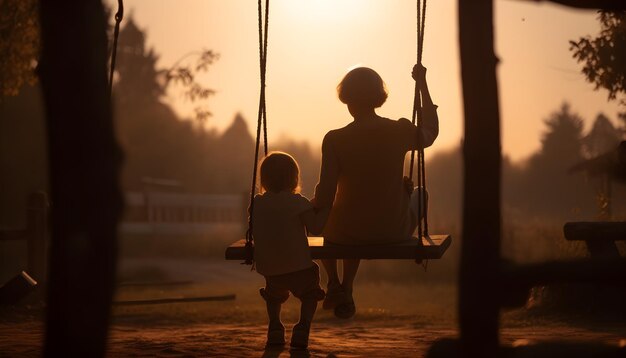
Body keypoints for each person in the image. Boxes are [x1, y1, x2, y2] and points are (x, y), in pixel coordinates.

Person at [313, 63, 439, 319]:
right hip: (392, 231)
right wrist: (422, 84)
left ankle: (335, 282)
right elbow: (430, 133)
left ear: (346, 99)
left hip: (346, 233)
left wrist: (314, 203)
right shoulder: (399, 130)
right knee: (421, 193)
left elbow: (325, 195)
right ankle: (345, 288)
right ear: (378, 98)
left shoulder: (335, 139)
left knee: (325, 208)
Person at [251, 151, 329, 350]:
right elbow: (316, 228)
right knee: (310, 293)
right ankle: (303, 327)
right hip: (299, 268)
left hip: (272, 270)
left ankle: (275, 327)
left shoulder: (257, 202)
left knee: (273, 295)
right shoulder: (298, 202)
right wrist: (325, 208)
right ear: (294, 179)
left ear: (264, 180)